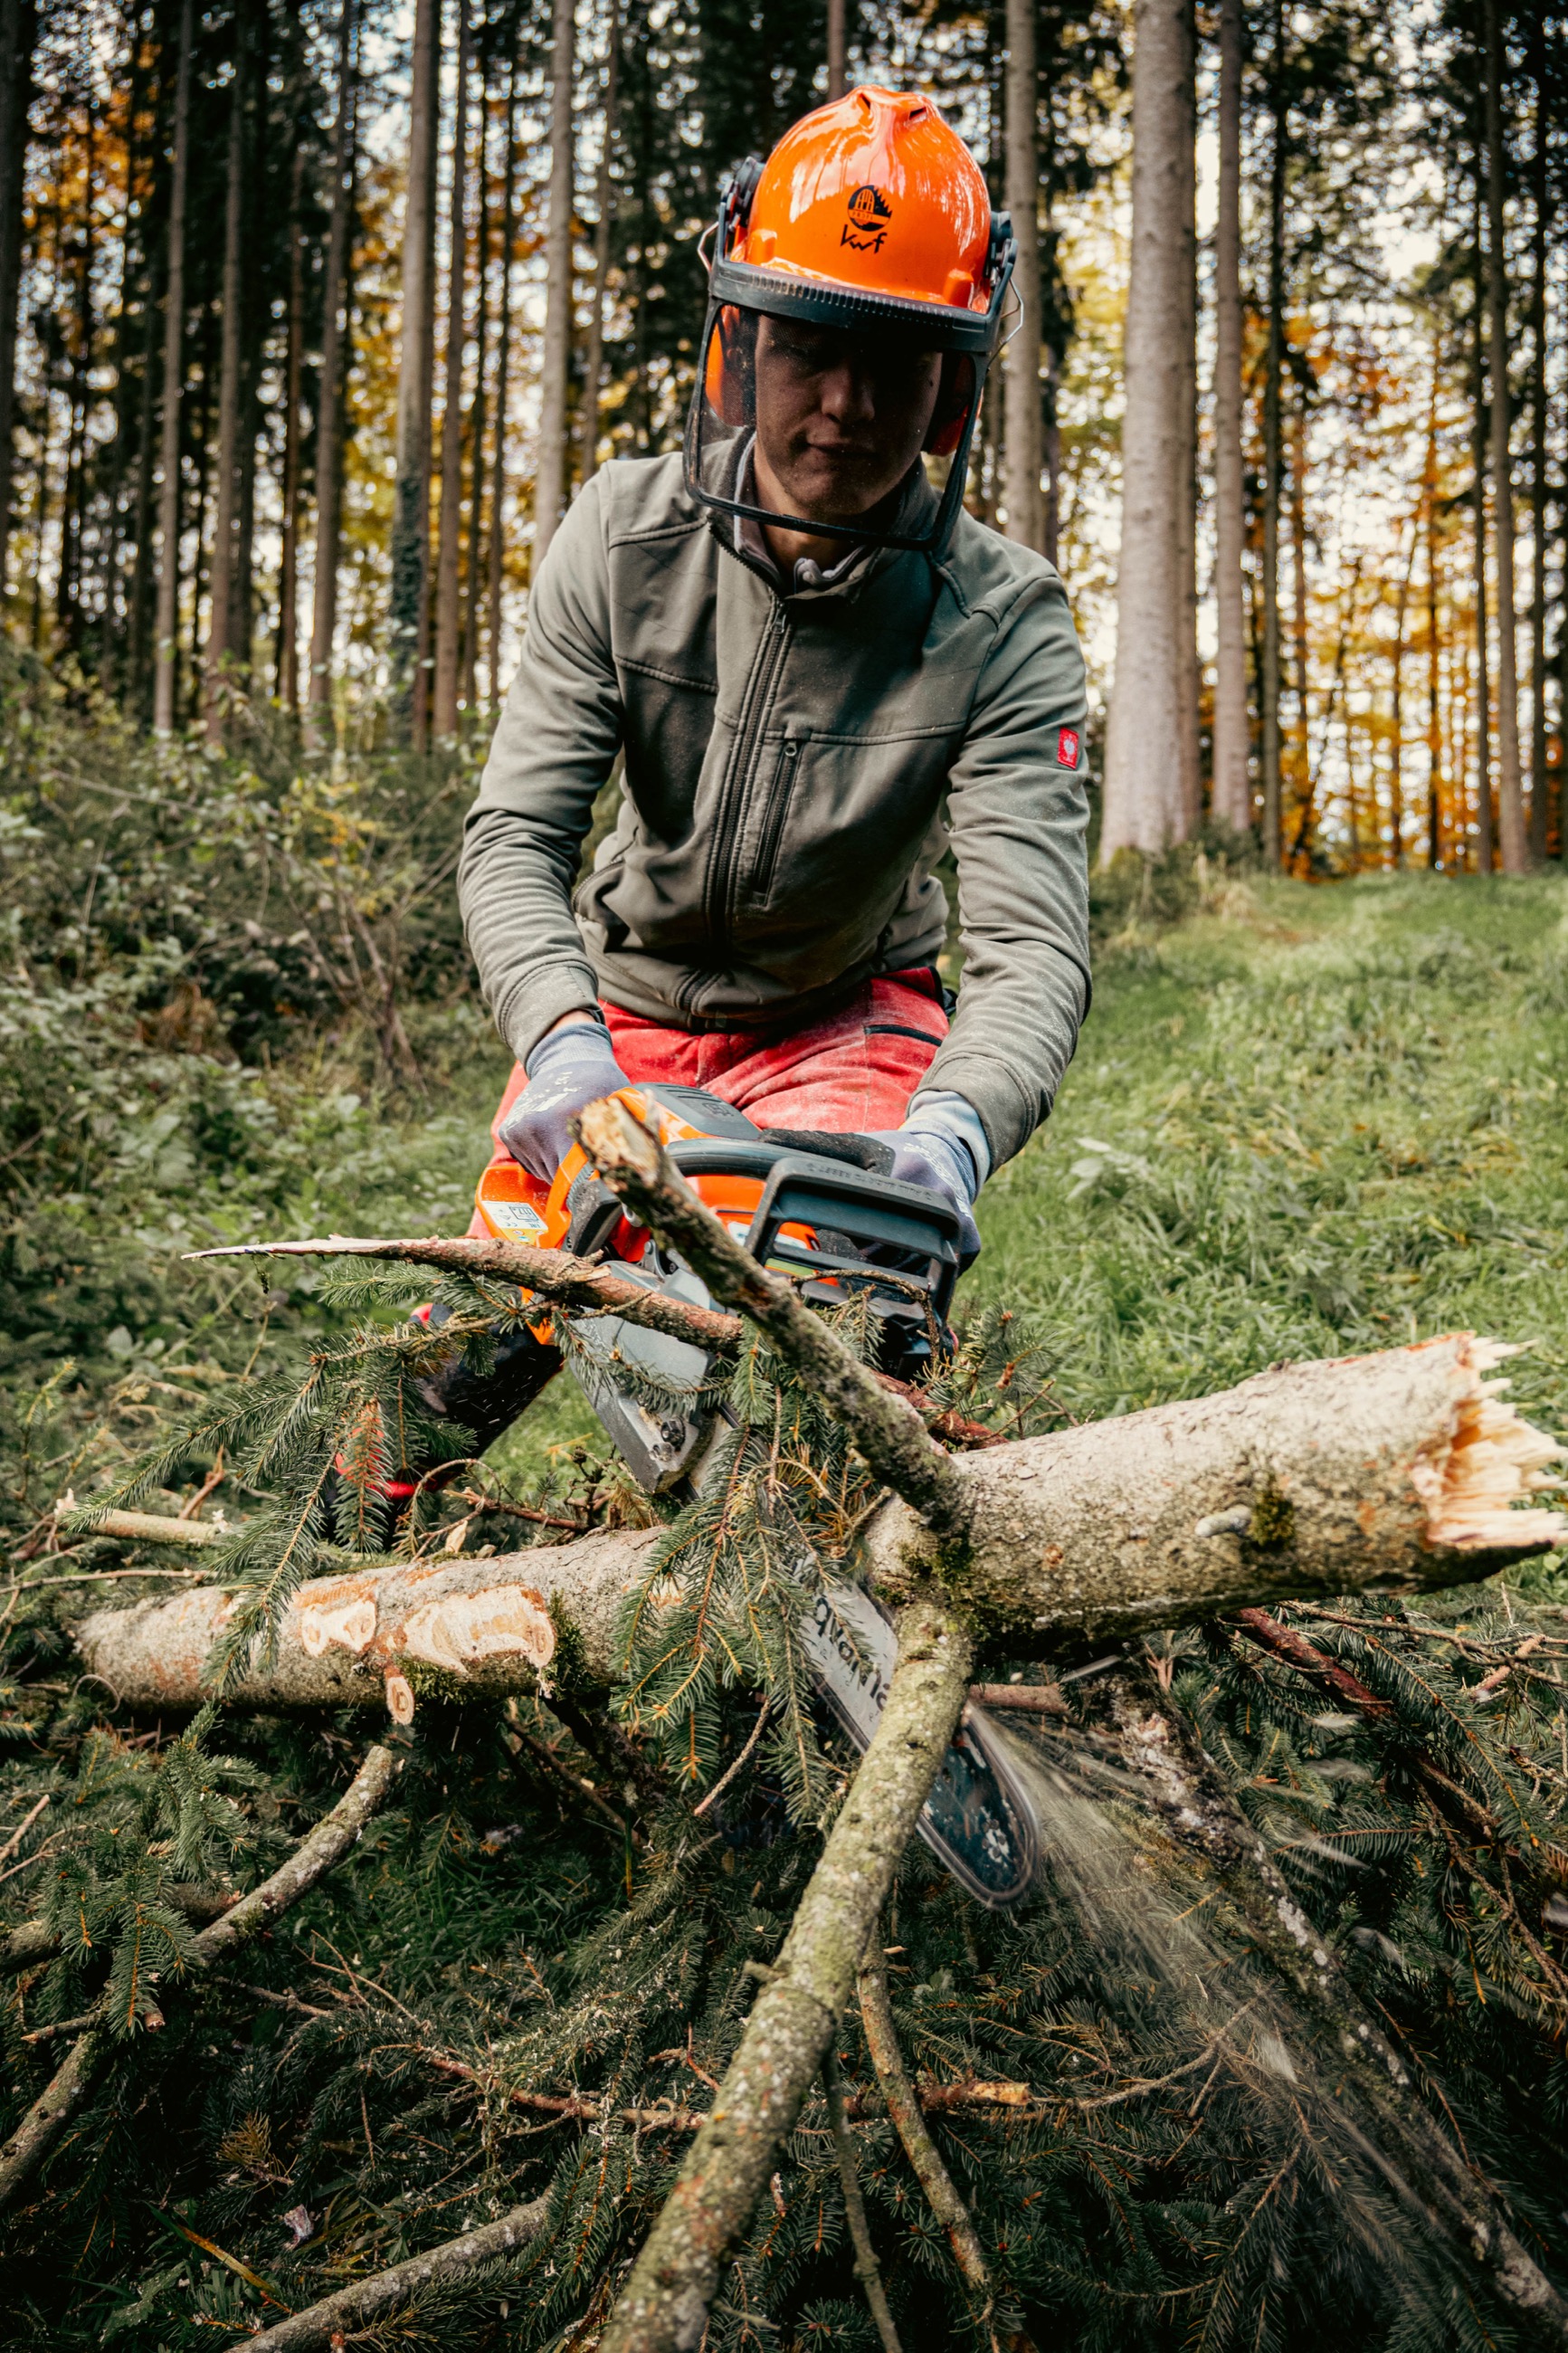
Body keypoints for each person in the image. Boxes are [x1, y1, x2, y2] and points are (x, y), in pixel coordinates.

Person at [437, 83, 1091, 1464]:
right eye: (808, 347)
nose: (845, 407)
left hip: (846, 1018)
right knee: (465, 1354)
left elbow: (1032, 943)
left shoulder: (1001, 618)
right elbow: (513, 840)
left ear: (954, 382)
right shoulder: (623, 538)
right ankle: (315, 1576)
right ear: (739, 342)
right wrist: (560, 1039)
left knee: (843, 1338)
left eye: (898, 359)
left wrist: (957, 1133)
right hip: (621, 1016)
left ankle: (811, 1617)